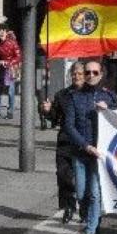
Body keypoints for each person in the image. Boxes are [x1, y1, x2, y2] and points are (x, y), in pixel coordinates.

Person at [62, 60, 117, 234]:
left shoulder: (110, 97)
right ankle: (91, 221)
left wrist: (109, 110)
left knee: (94, 194)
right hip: (81, 152)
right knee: (81, 193)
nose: (91, 75)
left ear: (101, 74)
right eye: (88, 72)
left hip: (99, 155)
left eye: (95, 72)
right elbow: (69, 126)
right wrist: (85, 146)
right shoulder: (74, 97)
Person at [41, 62, 85, 223]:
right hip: (65, 141)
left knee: (83, 177)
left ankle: (85, 209)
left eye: (80, 73)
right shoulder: (62, 95)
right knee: (63, 175)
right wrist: (47, 110)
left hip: (85, 142)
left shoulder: (91, 94)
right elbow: (55, 118)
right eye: (74, 73)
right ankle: (68, 207)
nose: (77, 76)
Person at [0, 23, 21, 120]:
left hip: (10, 69)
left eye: (3, 32)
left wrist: (8, 62)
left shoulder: (12, 43)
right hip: (0, 68)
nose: (1, 34)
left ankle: (10, 111)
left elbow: (19, 56)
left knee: (10, 90)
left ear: (6, 33)